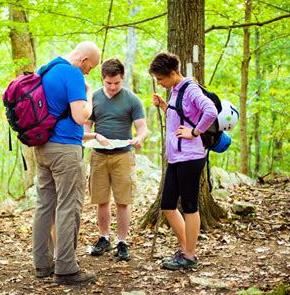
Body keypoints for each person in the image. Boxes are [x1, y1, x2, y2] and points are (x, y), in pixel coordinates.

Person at [32, 41, 101, 285]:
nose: (87, 73)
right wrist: (90, 95)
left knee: (44, 206)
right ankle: (66, 269)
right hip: (65, 150)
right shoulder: (72, 73)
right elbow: (80, 115)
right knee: (68, 206)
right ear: (83, 60)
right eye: (89, 68)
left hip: (42, 148)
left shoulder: (45, 69)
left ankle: (42, 264)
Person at [149, 52, 217, 270]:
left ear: (171, 73)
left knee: (190, 206)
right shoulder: (176, 91)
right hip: (177, 158)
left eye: (160, 79)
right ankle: (186, 249)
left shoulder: (190, 89)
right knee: (168, 205)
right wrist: (164, 106)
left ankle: (189, 255)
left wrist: (194, 132)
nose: (159, 84)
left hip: (191, 157)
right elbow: (181, 114)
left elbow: (210, 111)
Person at [83, 58, 148, 261]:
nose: (112, 87)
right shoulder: (93, 98)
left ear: (123, 79)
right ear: (102, 79)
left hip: (123, 155)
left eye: (117, 83)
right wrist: (94, 137)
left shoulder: (131, 99)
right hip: (99, 154)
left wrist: (139, 138)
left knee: (123, 200)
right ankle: (104, 238)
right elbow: (85, 128)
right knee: (101, 199)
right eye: (108, 83)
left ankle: (122, 241)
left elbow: (142, 128)